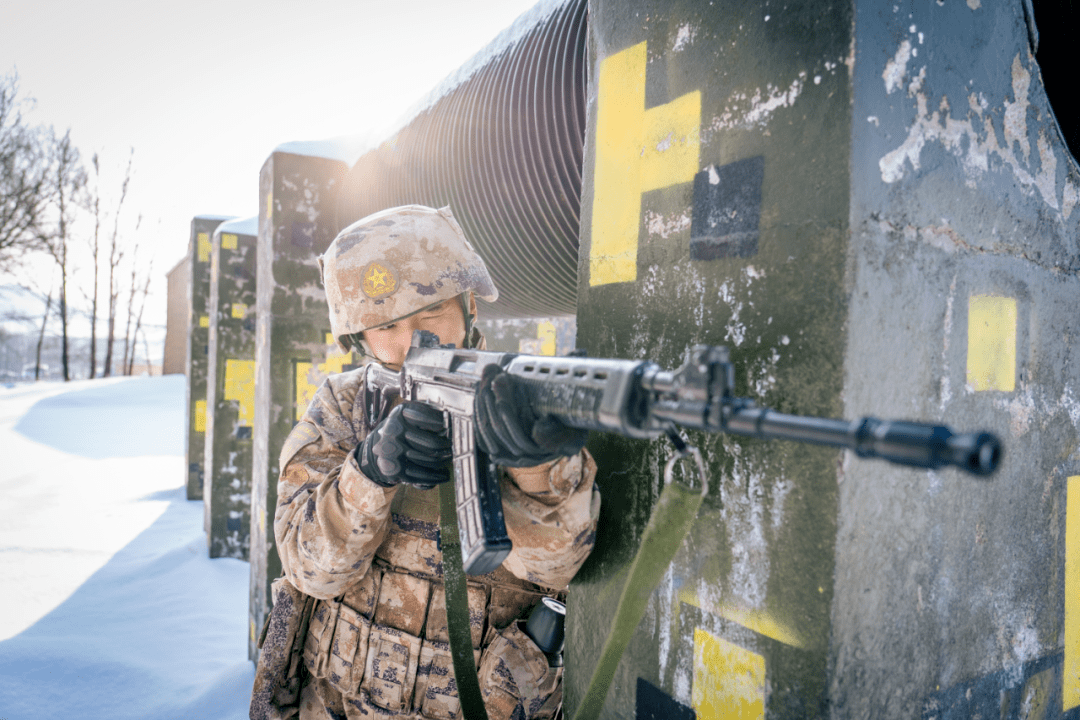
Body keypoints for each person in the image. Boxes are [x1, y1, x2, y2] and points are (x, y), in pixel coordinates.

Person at [252, 204, 600, 720]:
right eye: (386, 325)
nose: (413, 341)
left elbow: (558, 569)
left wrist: (533, 466)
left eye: (431, 313)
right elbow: (309, 570)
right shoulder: (344, 406)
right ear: (359, 338)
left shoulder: (523, 408)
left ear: (469, 307)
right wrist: (368, 473)